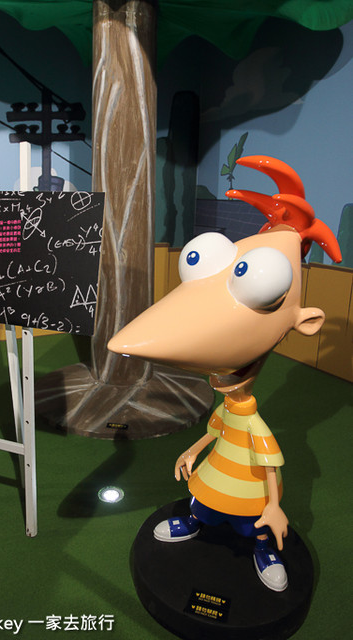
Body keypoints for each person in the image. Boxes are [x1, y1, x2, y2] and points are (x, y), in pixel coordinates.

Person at [108, 155, 341, 592]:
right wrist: (192, 449)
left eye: (262, 280)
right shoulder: (232, 412)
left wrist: (274, 506)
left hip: (249, 491)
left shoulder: (254, 423)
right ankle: (194, 521)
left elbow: (269, 464)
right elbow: (217, 428)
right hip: (216, 476)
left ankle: (263, 548)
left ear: (306, 322)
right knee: (204, 505)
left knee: (252, 523)